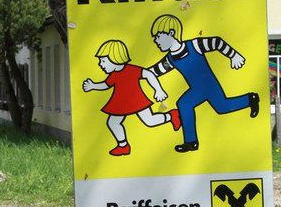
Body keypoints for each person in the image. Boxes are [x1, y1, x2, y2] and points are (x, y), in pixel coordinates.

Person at [149, 14, 259, 153]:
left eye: (158, 36)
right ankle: (191, 142)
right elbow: (155, 70)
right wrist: (139, 74)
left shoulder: (194, 45)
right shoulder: (170, 58)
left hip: (209, 85)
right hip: (197, 89)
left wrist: (233, 55)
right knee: (192, 104)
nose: (155, 40)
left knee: (219, 107)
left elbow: (216, 42)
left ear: (171, 33)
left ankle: (250, 99)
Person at [82, 38, 181, 156]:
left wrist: (158, 90)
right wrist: (93, 86)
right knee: (112, 123)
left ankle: (171, 115)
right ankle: (123, 146)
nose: (100, 64)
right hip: (121, 103)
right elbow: (106, 85)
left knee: (150, 121)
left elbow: (149, 74)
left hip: (136, 100)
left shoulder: (132, 69)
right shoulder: (113, 75)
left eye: (103, 61)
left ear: (115, 58)